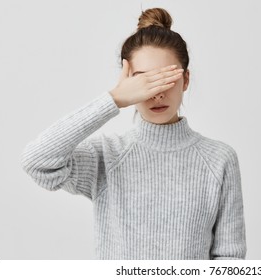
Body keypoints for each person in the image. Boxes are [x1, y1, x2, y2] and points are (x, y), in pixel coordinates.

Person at [21, 7, 246, 260]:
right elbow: (37, 162)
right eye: (144, 81)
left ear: (185, 79)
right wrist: (114, 99)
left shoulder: (219, 159)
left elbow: (229, 259)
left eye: (166, 78)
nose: (157, 93)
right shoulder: (108, 155)